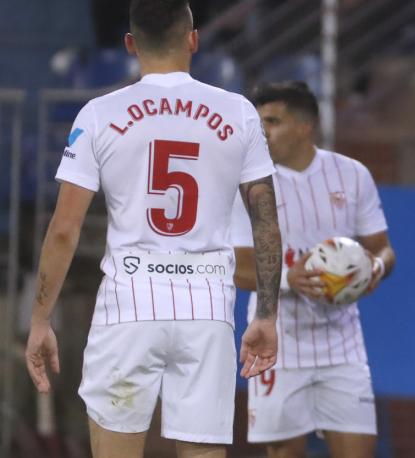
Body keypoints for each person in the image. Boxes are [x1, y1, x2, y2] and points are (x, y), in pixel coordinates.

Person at [24, 1, 282, 457]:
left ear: (130, 44)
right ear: (193, 40)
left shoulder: (99, 113)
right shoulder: (238, 112)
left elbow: (64, 228)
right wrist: (266, 314)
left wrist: (41, 319)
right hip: (207, 308)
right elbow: (265, 220)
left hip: (128, 306)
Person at [230, 81, 395, 458]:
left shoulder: (352, 175)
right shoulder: (248, 185)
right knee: (284, 453)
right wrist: (289, 278)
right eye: (258, 123)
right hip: (276, 342)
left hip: (342, 342)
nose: (262, 132)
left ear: (305, 127)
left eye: (272, 121)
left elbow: (384, 250)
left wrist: (375, 267)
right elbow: (236, 269)